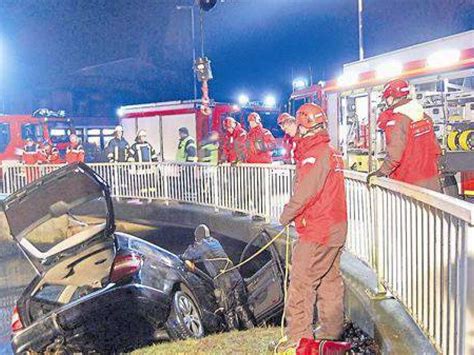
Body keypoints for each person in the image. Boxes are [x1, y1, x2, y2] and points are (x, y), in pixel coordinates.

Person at [276, 103, 347, 352]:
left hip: (318, 230)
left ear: (305, 126)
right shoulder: (330, 150)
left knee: (301, 286)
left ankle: (299, 342)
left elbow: (306, 192)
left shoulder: (314, 154)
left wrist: (286, 215)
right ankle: (331, 335)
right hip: (336, 228)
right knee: (329, 282)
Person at [367, 78, 442, 192]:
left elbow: (394, 155)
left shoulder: (397, 120)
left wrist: (380, 172)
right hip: (431, 179)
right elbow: (436, 147)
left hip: (409, 183)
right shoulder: (424, 116)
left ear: (391, 97)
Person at [181, 224, 254, 330]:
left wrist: (188, 252)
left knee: (228, 310)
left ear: (198, 236)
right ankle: (252, 328)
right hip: (235, 274)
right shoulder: (215, 241)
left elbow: (187, 255)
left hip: (223, 279)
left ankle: (234, 334)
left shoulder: (202, 244)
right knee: (241, 305)